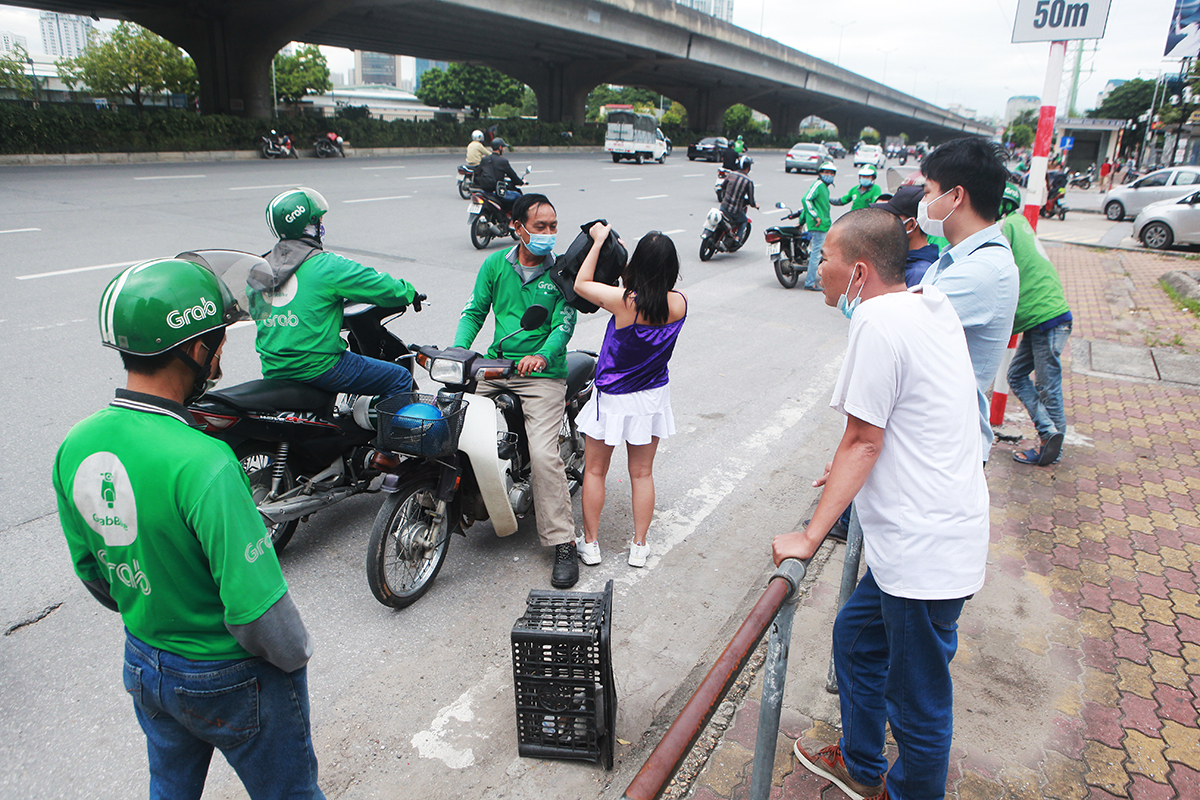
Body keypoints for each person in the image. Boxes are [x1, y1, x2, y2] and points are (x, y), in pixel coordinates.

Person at [53, 258, 323, 799]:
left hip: (145, 660)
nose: (221, 353)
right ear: (198, 349)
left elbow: (94, 574)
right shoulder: (205, 462)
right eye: (218, 341)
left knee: (170, 790)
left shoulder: (76, 444)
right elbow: (260, 613)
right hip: (229, 677)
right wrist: (296, 658)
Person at [773, 209, 988, 800]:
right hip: (924, 541)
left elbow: (863, 439)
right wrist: (844, 469)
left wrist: (809, 537)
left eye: (825, 258)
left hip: (926, 554)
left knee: (917, 706)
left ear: (859, 272)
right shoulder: (925, 304)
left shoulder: (875, 321)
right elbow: (897, 422)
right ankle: (863, 765)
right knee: (856, 638)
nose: (818, 268)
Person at [455, 193, 580, 588]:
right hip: (497, 367)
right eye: (540, 227)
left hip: (543, 374)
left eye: (553, 227)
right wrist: (459, 353)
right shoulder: (495, 264)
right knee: (452, 426)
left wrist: (542, 356)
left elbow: (564, 323)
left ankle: (563, 542)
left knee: (544, 455)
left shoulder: (561, 271)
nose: (548, 234)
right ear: (517, 227)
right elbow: (475, 310)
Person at [572, 225, 686, 568]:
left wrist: (597, 243)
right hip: (651, 398)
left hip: (614, 398)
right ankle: (639, 545)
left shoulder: (624, 303)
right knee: (642, 474)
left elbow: (581, 284)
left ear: (637, 265)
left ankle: (591, 544)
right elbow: (650, 288)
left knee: (594, 472)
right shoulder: (678, 303)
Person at [254, 187, 419, 401]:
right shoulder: (326, 266)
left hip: (274, 369)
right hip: (319, 367)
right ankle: (393, 435)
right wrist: (408, 292)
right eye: (319, 221)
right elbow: (380, 285)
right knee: (399, 378)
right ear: (310, 225)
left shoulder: (259, 269)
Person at [916, 137, 1020, 463]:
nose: (925, 202)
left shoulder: (983, 271)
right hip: (934, 436)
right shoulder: (955, 258)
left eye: (928, 192)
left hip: (945, 448)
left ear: (956, 196)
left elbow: (901, 328)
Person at [997, 182, 1072, 467]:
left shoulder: (1006, 227)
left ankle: (1052, 446)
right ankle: (1049, 431)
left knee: (1047, 386)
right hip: (1043, 318)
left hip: (1046, 318)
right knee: (1016, 376)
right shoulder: (1021, 223)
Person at [871, 184, 941, 287]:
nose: (885, 223)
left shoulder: (917, 273)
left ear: (911, 225)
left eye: (893, 218)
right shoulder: (905, 260)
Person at [802, 161, 837, 291]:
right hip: (818, 225)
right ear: (820, 173)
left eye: (831, 173)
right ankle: (810, 282)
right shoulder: (818, 185)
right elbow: (806, 199)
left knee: (818, 253)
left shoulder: (824, 188)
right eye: (826, 172)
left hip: (824, 225)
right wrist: (815, 216)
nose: (829, 175)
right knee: (816, 254)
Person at [476, 137, 525, 209]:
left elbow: (478, 173)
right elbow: (512, 176)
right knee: (518, 196)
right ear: (500, 147)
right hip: (497, 193)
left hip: (484, 192)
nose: (503, 150)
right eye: (503, 147)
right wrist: (521, 182)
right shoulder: (503, 161)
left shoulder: (484, 159)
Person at [719, 155, 758, 241]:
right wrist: (755, 205)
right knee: (744, 220)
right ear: (748, 168)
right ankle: (737, 238)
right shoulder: (749, 181)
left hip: (724, 207)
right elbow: (751, 201)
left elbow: (722, 186)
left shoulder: (731, 174)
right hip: (735, 211)